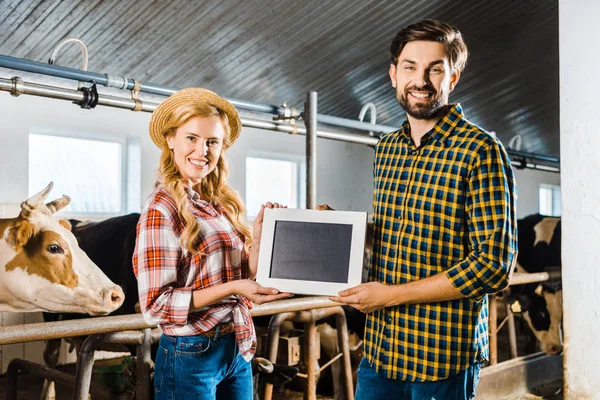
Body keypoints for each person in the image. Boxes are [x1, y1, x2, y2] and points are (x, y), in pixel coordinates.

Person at [330, 19, 518, 399]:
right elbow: (394, 235)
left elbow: (493, 266)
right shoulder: (387, 149)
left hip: (440, 356)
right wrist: (340, 229)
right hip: (381, 351)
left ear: (453, 78)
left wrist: (391, 295)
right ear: (393, 74)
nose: (421, 80)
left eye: (435, 69)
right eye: (410, 67)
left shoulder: (480, 150)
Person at [133, 88, 292, 400]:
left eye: (212, 142)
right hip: (190, 354)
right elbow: (155, 307)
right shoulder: (160, 210)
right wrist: (234, 290)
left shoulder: (216, 203)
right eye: (191, 138)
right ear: (170, 140)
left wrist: (260, 236)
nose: (201, 150)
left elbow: (245, 272)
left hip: (236, 346)